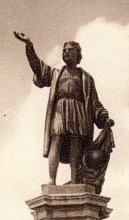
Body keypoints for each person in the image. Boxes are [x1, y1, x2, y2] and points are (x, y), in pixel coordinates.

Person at [14, 32, 114, 185]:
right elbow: (37, 67)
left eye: (69, 50)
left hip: (78, 111)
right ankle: (51, 180)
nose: (66, 52)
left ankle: (75, 180)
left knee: (76, 145)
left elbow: (94, 102)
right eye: (64, 50)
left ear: (77, 54)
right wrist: (29, 46)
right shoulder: (55, 74)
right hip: (60, 110)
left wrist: (103, 117)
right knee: (56, 139)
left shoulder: (86, 78)